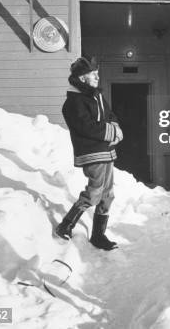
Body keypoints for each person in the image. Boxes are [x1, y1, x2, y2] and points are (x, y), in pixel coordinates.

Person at [55, 57, 123, 251]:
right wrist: (111, 132)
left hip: (106, 151)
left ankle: (98, 236)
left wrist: (116, 128)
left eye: (97, 74)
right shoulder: (73, 102)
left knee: (107, 194)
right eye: (93, 75)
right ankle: (65, 226)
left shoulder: (97, 96)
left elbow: (111, 116)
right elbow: (87, 127)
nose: (97, 77)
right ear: (82, 78)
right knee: (94, 193)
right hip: (92, 153)